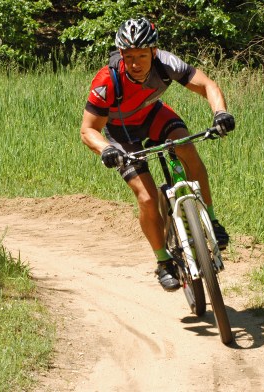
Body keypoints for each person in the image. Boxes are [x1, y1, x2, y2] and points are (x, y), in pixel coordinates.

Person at [79, 17, 235, 292]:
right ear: (121, 54)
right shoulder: (107, 80)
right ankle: (163, 262)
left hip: (154, 116)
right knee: (148, 197)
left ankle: (211, 218)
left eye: (142, 55)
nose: (136, 63)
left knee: (187, 148)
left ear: (153, 51)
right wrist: (106, 150)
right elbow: (88, 130)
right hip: (122, 135)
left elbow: (207, 86)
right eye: (129, 57)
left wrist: (220, 113)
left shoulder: (166, 63)